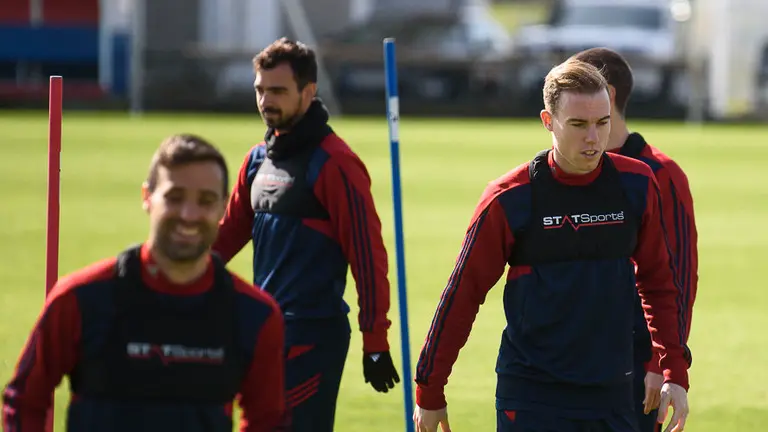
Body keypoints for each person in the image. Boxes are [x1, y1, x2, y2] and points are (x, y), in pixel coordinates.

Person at [412, 59, 690, 432]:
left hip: (612, 394)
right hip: (531, 399)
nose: (593, 138)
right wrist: (430, 391)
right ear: (548, 121)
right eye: (578, 124)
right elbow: (463, 294)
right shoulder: (509, 198)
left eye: (602, 123)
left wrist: (674, 369)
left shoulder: (637, 184)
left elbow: (658, 282)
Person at [1, 134, 287, 432]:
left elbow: (267, 421)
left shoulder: (255, 315)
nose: (189, 215)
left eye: (205, 200)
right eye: (174, 197)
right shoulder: (80, 299)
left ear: (222, 207)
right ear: (147, 197)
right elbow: (25, 400)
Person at [211, 37, 399, 432]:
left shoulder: (336, 164)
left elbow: (367, 258)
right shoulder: (257, 161)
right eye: (260, 90)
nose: (266, 101)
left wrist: (375, 342)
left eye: (278, 91)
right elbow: (222, 239)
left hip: (312, 335)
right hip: (262, 332)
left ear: (308, 92)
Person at [571, 47, 698, 432]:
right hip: (564, 367)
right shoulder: (563, 172)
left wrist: (660, 365)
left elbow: (677, 280)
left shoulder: (661, 174)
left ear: (606, 95)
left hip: (634, 371)